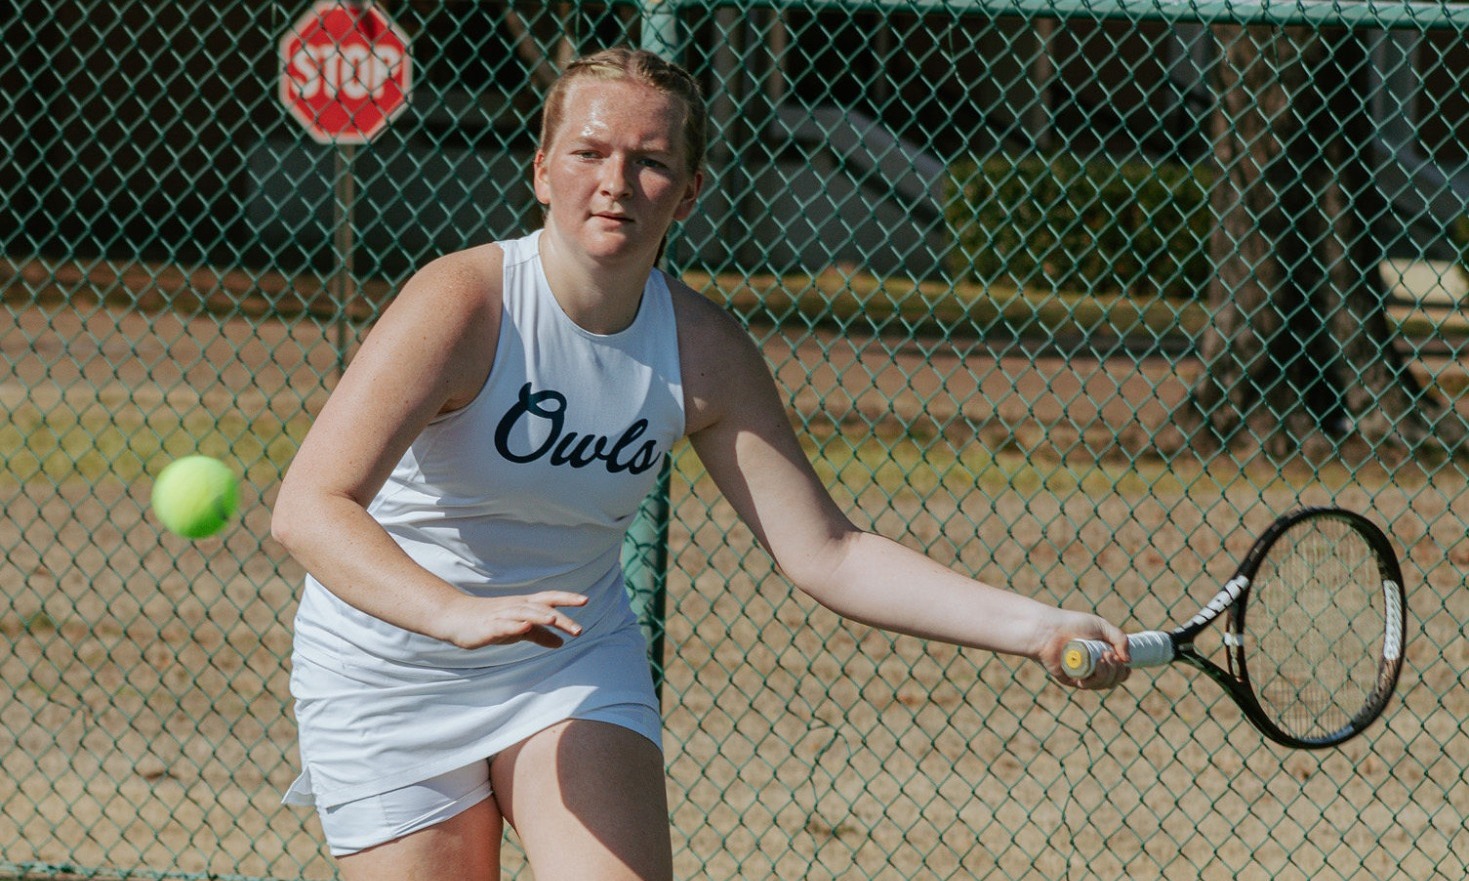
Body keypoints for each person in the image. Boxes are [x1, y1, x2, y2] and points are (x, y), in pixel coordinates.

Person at [270, 46, 1130, 881]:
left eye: (649, 161)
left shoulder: (705, 350)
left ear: (687, 192)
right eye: (588, 152)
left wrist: (1036, 626)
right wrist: (452, 611)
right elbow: (311, 505)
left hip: (567, 660)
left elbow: (828, 551)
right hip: (388, 668)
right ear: (540, 171)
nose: (614, 181)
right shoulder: (461, 304)